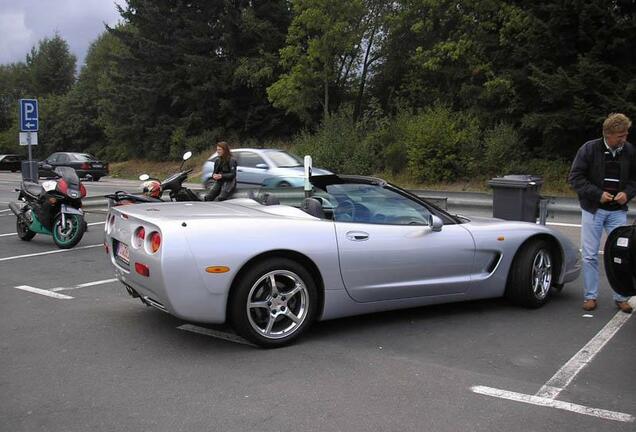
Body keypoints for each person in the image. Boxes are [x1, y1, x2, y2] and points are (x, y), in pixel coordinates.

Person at [568, 113, 636, 313]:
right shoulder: (589, 149)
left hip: (618, 212)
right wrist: (598, 195)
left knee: (623, 254)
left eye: (625, 135)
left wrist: (628, 193)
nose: (624, 139)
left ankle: (622, 296)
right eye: (620, 136)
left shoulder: (630, 151)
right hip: (593, 210)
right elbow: (575, 178)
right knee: (589, 254)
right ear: (608, 134)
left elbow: (634, 179)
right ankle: (590, 296)